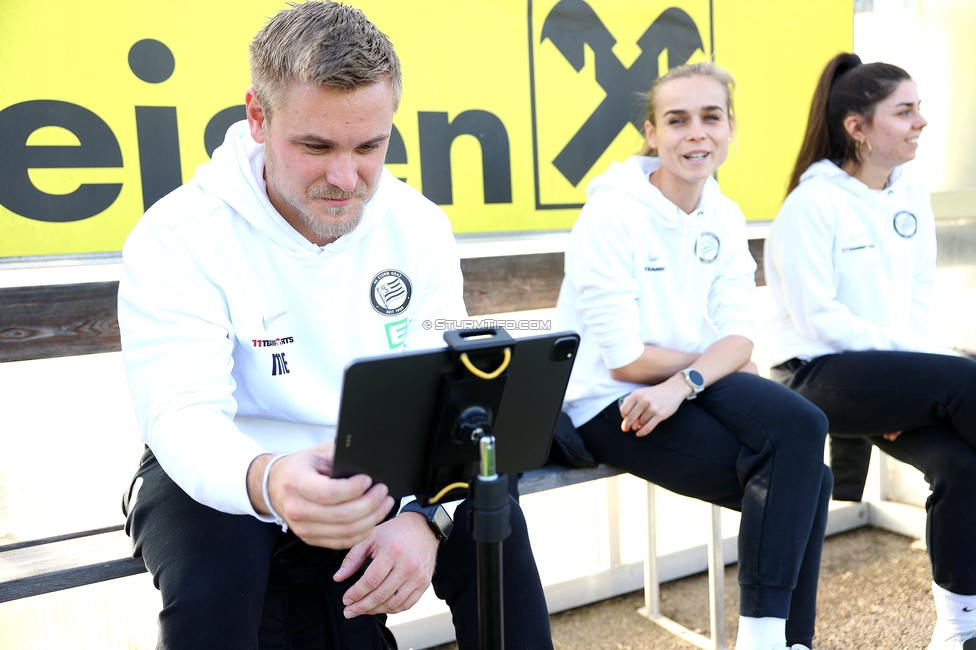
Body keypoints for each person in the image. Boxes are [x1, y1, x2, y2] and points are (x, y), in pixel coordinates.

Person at [117, 3, 553, 648]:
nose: (346, 179)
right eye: (316, 146)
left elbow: (450, 394)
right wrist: (267, 478)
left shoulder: (418, 224)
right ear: (258, 117)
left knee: (494, 533)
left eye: (370, 146)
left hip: (377, 457)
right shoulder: (180, 233)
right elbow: (182, 414)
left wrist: (427, 520)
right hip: (230, 456)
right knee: (214, 580)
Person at [555, 62, 832, 650]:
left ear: (731, 127)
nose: (696, 134)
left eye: (711, 117)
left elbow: (740, 336)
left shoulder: (723, 214)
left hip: (680, 384)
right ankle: (776, 640)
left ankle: (771, 639)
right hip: (610, 401)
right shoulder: (611, 214)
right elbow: (624, 359)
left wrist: (686, 382)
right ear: (653, 133)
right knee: (806, 473)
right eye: (677, 120)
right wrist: (706, 367)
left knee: (803, 431)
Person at [765, 52, 976, 650]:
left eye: (920, 109)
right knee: (965, 380)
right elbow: (819, 319)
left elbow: (918, 294)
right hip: (810, 374)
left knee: (963, 466)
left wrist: (906, 385)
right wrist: (913, 383)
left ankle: (959, 630)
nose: (922, 123)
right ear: (857, 128)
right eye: (904, 111)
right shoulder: (811, 206)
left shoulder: (910, 194)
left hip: (891, 375)